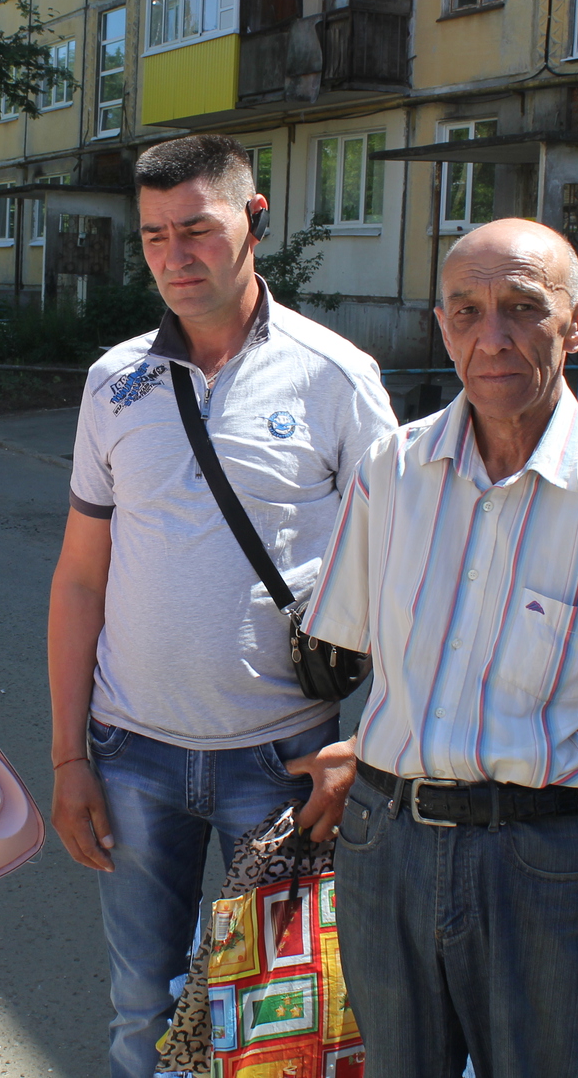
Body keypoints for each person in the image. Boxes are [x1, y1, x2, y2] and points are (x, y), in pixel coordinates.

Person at [299, 217, 578, 1077]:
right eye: (466, 310)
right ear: (441, 323)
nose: (493, 338)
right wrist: (377, 761)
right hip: (386, 853)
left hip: (537, 863)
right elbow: (372, 668)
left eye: (524, 308)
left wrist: (555, 846)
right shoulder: (392, 469)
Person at [47, 134, 397, 1078]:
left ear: (255, 218)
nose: (174, 255)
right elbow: (81, 576)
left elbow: (413, 578)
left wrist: (367, 748)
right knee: (142, 1011)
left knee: (278, 1031)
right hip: (131, 756)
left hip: (282, 763)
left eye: (196, 228)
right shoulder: (114, 381)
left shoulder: (336, 377)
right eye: (155, 235)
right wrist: (70, 754)